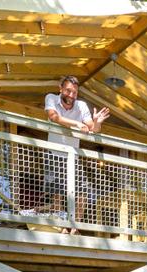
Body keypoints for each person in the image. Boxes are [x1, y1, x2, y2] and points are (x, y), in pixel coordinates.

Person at [44, 76, 110, 234]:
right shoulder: (51, 98)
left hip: (73, 155)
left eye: (74, 92)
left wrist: (97, 122)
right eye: (68, 91)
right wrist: (77, 124)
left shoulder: (81, 106)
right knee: (58, 191)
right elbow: (54, 117)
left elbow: (93, 129)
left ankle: (75, 228)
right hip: (54, 152)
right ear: (61, 88)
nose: (71, 95)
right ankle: (60, 227)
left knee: (82, 190)